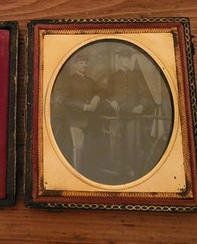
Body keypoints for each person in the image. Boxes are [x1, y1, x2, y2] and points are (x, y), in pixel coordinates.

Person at [106, 48, 153, 179]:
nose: (126, 61)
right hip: (117, 116)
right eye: (123, 58)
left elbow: (146, 95)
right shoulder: (113, 76)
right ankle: (117, 171)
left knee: (132, 144)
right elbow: (107, 95)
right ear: (119, 60)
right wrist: (112, 102)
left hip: (133, 116)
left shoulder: (137, 75)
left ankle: (131, 170)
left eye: (128, 58)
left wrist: (141, 105)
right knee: (117, 143)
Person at [61, 54, 101, 172]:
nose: (84, 65)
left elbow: (100, 91)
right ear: (75, 65)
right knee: (78, 148)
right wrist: (84, 107)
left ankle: (86, 173)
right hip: (76, 118)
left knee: (88, 148)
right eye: (80, 63)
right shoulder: (70, 80)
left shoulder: (90, 80)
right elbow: (66, 100)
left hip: (90, 120)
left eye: (85, 63)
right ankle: (77, 173)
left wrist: (97, 97)